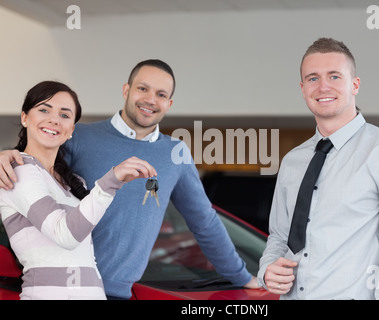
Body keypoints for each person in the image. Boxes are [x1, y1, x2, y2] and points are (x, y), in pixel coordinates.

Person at [0, 60, 257, 300]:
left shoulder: (175, 154)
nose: (150, 100)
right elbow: (32, 172)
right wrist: (8, 155)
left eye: (161, 94)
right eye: (142, 88)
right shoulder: (79, 136)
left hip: (118, 293)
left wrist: (242, 276)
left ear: (169, 104)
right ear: (126, 90)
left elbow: (205, 221)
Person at [257, 38, 379, 299]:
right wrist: (267, 269)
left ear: (355, 84)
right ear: (302, 88)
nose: (323, 86)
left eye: (334, 76)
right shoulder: (293, 161)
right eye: (312, 78)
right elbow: (279, 236)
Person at [0, 81, 156, 300]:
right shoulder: (18, 171)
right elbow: (65, 235)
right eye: (44, 109)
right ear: (25, 117)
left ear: (71, 129)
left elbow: (85, 258)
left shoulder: (74, 182)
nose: (54, 119)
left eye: (65, 115)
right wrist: (111, 180)